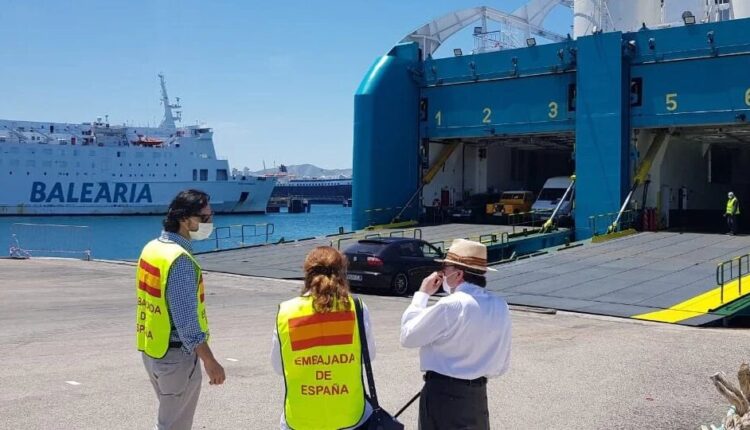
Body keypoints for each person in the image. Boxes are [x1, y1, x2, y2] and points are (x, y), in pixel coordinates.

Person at [137, 189, 226, 430]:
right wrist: (210, 361)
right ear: (185, 219)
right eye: (205, 218)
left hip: (152, 349)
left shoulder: (152, 249)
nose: (210, 223)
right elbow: (186, 321)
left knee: (169, 420)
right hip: (176, 357)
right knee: (173, 426)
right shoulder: (180, 260)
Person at [400, 238, 511, 430]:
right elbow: (501, 364)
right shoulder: (500, 305)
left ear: (458, 273)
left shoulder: (452, 304)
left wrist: (422, 295)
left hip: (443, 394)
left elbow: (408, 337)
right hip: (477, 394)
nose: (442, 273)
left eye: (445, 268)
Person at [271, 246, 375, 430]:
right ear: (342, 273)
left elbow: (278, 367)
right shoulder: (357, 308)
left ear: (307, 275)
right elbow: (369, 355)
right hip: (349, 415)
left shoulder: (286, 312)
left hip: (301, 418)